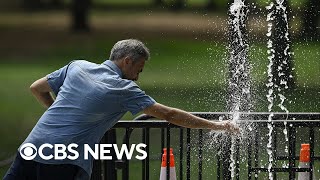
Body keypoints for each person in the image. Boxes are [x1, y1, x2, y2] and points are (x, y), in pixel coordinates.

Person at [3, 39, 239, 180]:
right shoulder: (123, 89)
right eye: (139, 69)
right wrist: (218, 125)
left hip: (32, 146)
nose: (138, 76)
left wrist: (59, 110)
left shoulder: (77, 66)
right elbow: (169, 115)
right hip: (62, 158)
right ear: (127, 61)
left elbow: (37, 88)